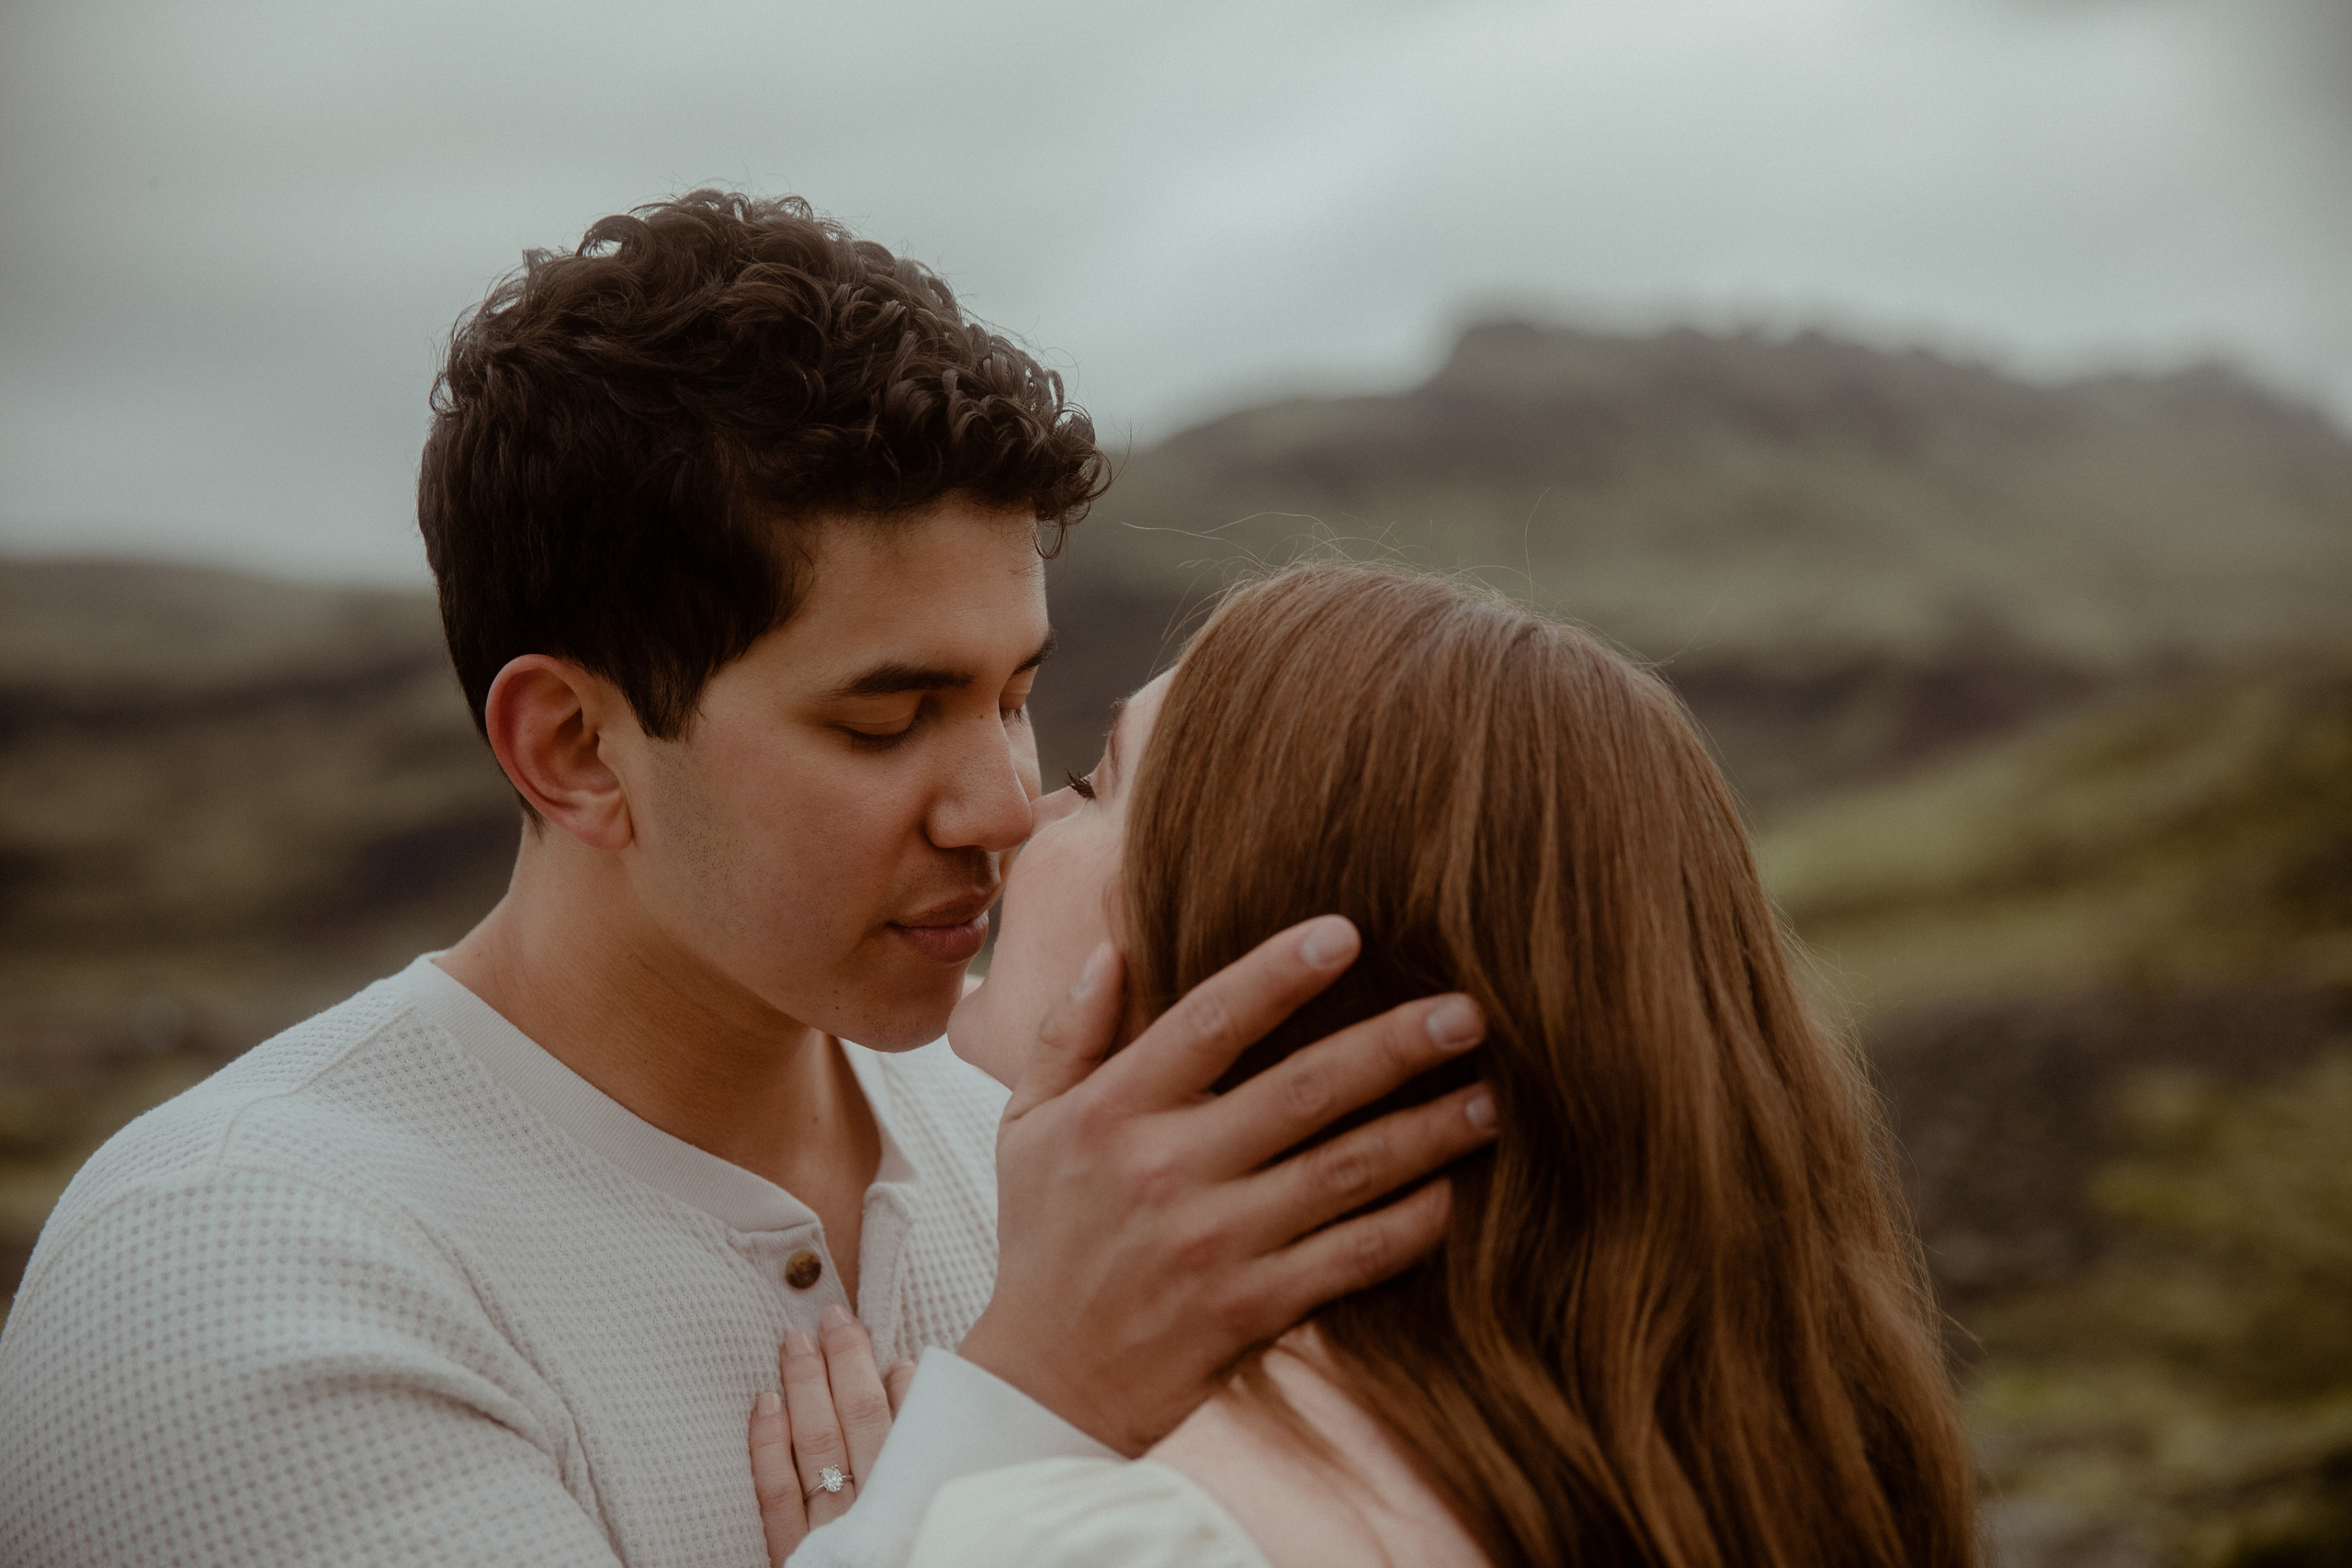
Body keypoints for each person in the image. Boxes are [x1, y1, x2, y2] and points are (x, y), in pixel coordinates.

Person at [0, 194, 1498, 1568]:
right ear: (575, 748)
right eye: (885, 718)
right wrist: (1029, 1408)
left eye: (1016, 694)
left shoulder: (1076, 1148)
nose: (1005, 805)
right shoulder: (237, 1263)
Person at [867, 563, 1979, 1566]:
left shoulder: (1133, 1537)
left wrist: (918, 1506)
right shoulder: (1763, 1454)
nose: (1019, 819)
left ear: (1237, 954)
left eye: (1095, 783)